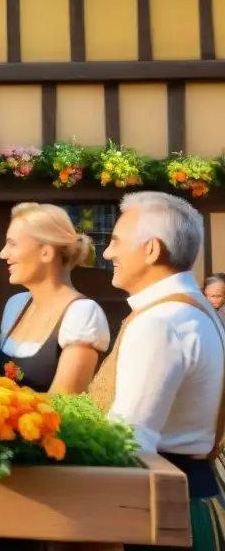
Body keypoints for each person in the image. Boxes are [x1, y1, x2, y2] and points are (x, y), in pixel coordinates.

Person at [88, 192, 225, 550]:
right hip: (193, 494)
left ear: (151, 250)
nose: (107, 253)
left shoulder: (162, 322)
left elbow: (127, 441)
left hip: (162, 512)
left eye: (115, 241)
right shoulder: (195, 311)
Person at [0, 203, 111, 393]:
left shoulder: (82, 314)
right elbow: (2, 389)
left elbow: (63, 406)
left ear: (45, 252)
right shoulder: (16, 305)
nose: (3, 253)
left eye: (12, 244)